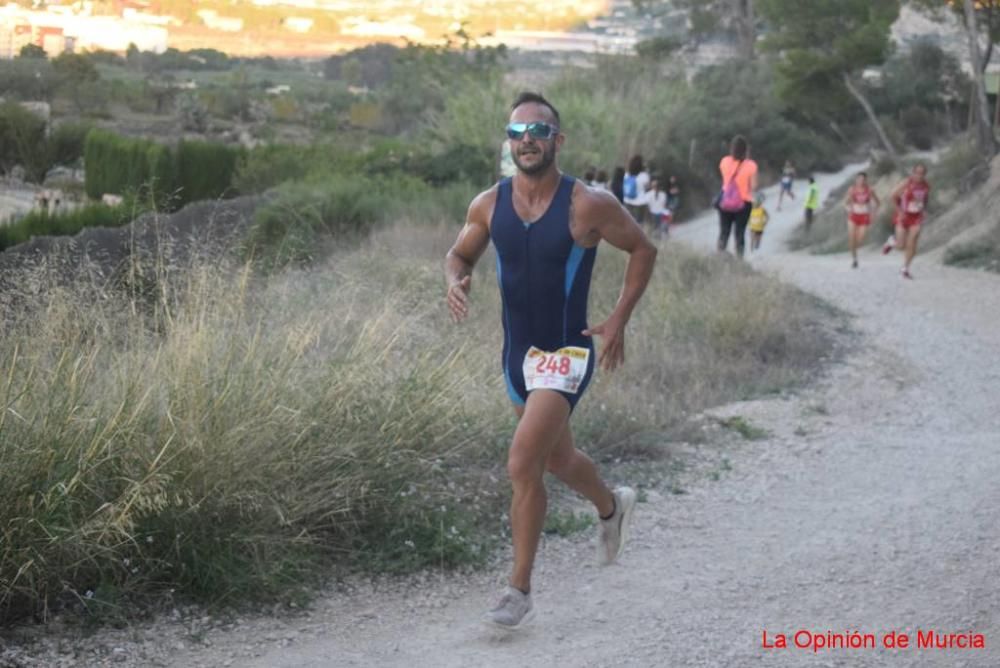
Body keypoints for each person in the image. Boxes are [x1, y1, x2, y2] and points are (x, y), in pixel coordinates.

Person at [445, 92, 657, 631]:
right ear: (508, 143)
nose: (527, 141)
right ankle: (613, 507)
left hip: (566, 353)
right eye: (516, 134)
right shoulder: (487, 205)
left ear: (557, 141)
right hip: (516, 357)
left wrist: (617, 319)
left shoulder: (587, 204)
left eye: (538, 131)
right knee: (559, 460)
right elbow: (459, 253)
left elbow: (643, 249)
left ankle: (518, 591)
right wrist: (456, 280)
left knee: (522, 462)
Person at [882, 163, 930, 279]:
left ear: (924, 174)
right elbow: (893, 196)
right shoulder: (906, 183)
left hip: (916, 217)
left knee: (912, 243)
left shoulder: (926, 185)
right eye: (917, 173)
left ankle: (905, 269)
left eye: (922, 173)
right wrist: (900, 211)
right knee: (901, 246)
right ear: (913, 173)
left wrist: (924, 209)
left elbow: (925, 199)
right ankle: (892, 242)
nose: (919, 175)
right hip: (903, 216)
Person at [716, 135, 758, 258]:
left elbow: (725, 179)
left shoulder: (724, 161)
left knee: (724, 232)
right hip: (744, 204)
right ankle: (739, 261)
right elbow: (754, 186)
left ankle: (719, 257)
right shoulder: (751, 165)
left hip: (725, 202)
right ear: (746, 150)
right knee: (739, 234)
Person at [844, 172, 880, 269]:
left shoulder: (870, 190)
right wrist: (849, 211)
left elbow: (877, 202)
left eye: (863, 179)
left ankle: (854, 251)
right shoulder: (852, 189)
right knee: (852, 238)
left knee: (860, 239)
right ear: (856, 180)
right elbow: (846, 203)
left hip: (864, 216)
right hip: (853, 216)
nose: (860, 181)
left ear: (865, 180)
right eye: (859, 179)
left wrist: (874, 214)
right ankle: (854, 259)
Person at [623, 155, 651, 227]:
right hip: (640, 203)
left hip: (628, 201)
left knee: (627, 223)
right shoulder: (644, 176)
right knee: (638, 225)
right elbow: (647, 187)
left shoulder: (626, 175)